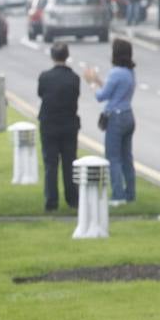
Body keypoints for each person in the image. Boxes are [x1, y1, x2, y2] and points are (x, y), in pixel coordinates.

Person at [84, 38, 136, 206]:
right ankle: (130, 193)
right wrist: (99, 80)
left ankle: (118, 195)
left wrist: (91, 82)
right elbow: (113, 90)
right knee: (127, 157)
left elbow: (102, 96)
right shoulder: (130, 72)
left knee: (113, 158)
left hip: (116, 117)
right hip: (128, 115)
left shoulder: (115, 72)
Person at [37, 42, 81, 213]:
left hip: (49, 123)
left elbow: (40, 93)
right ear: (67, 56)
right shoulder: (74, 78)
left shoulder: (45, 77)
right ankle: (73, 199)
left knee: (50, 163)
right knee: (70, 162)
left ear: (52, 56)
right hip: (69, 123)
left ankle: (51, 201)